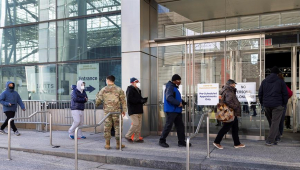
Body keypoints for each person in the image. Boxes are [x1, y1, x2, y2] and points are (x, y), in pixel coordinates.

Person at [258, 66, 288, 146]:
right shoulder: (280, 81)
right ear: (278, 73)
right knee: (275, 122)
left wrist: (263, 103)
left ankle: (277, 137)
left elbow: (260, 93)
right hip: (277, 105)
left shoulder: (264, 81)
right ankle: (270, 140)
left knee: (272, 122)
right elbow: (285, 94)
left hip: (267, 104)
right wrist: (284, 103)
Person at [96, 75, 127, 150]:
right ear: (114, 80)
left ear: (107, 80)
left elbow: (98, 100)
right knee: (118, 128)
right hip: (117, 112)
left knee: (107, 127)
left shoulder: (103, 89)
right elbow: (123, 101)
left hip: (107, 112)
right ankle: (118, 144)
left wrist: (97, 104)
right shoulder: (119, 89)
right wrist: (124, 110)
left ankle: (107, 144)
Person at [159, 74, 189, 148]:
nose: (180, 82)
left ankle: (181, 142)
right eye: (179, 80)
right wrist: (178, 103)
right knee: (168, 125)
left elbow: (175, 97)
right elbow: (169, 97)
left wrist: (182, 102)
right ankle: (162, 141)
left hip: (176, 110)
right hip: (171, 110)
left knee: (180, 126)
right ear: (175, 81)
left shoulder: (174, 87)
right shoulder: (170, 87)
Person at [213, 79, 245, 149]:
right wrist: (236, 106)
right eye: (234, 84)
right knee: (226, 128)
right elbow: (228, 101)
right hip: (230, 112)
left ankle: (237, 143)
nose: (235, 85)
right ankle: (216, 142)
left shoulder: (226, 90)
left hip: (232, 112)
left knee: (235, 128)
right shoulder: (229, 91)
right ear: (231, 84)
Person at [125, 78, 148, 143]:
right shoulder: (130, 89)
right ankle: (128, 136)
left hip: (139, 109)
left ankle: (136, 138)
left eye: (138, 82)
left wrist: (143, 100)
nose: (138, 83)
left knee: (139, 125)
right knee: (135, 124)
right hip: (133, 110)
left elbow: (138, 99)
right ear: (132, 82)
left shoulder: (138, 90)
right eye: (136, 82)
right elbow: (130, 99)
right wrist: (140, 100)